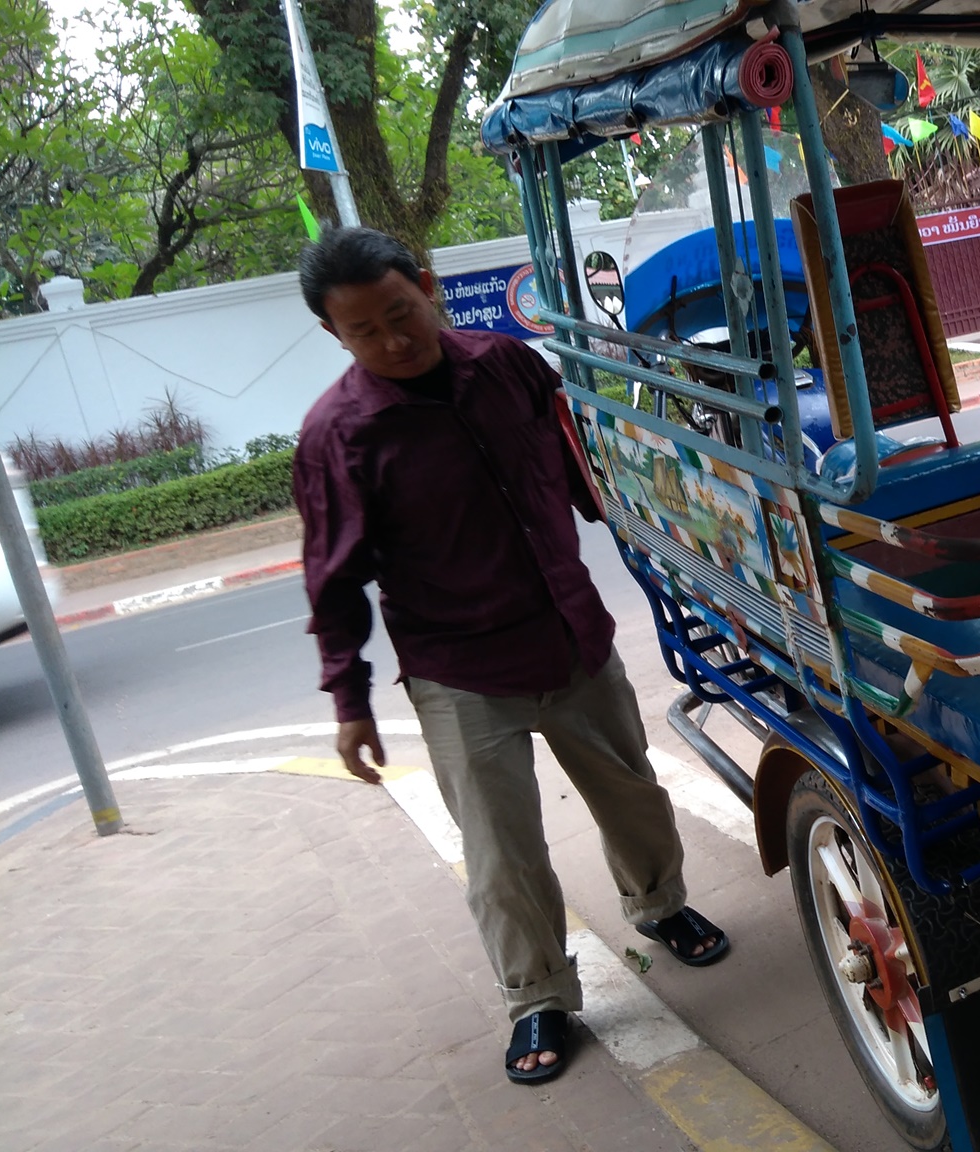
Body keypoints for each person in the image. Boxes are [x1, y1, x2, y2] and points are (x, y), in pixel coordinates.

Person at [291, 227, 727, 1088]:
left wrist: (669, 537)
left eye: (400, 313)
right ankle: (538, 995)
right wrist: (350, 702)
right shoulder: (337, 438)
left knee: (633, 795)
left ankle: (659, 906)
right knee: (501, 853)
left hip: (571, 636)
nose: (393, 341)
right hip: (460, 673)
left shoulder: (508, 366)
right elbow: (332, 583)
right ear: (333, 335)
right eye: (364, 331)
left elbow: (579, 469)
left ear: (427, 287)